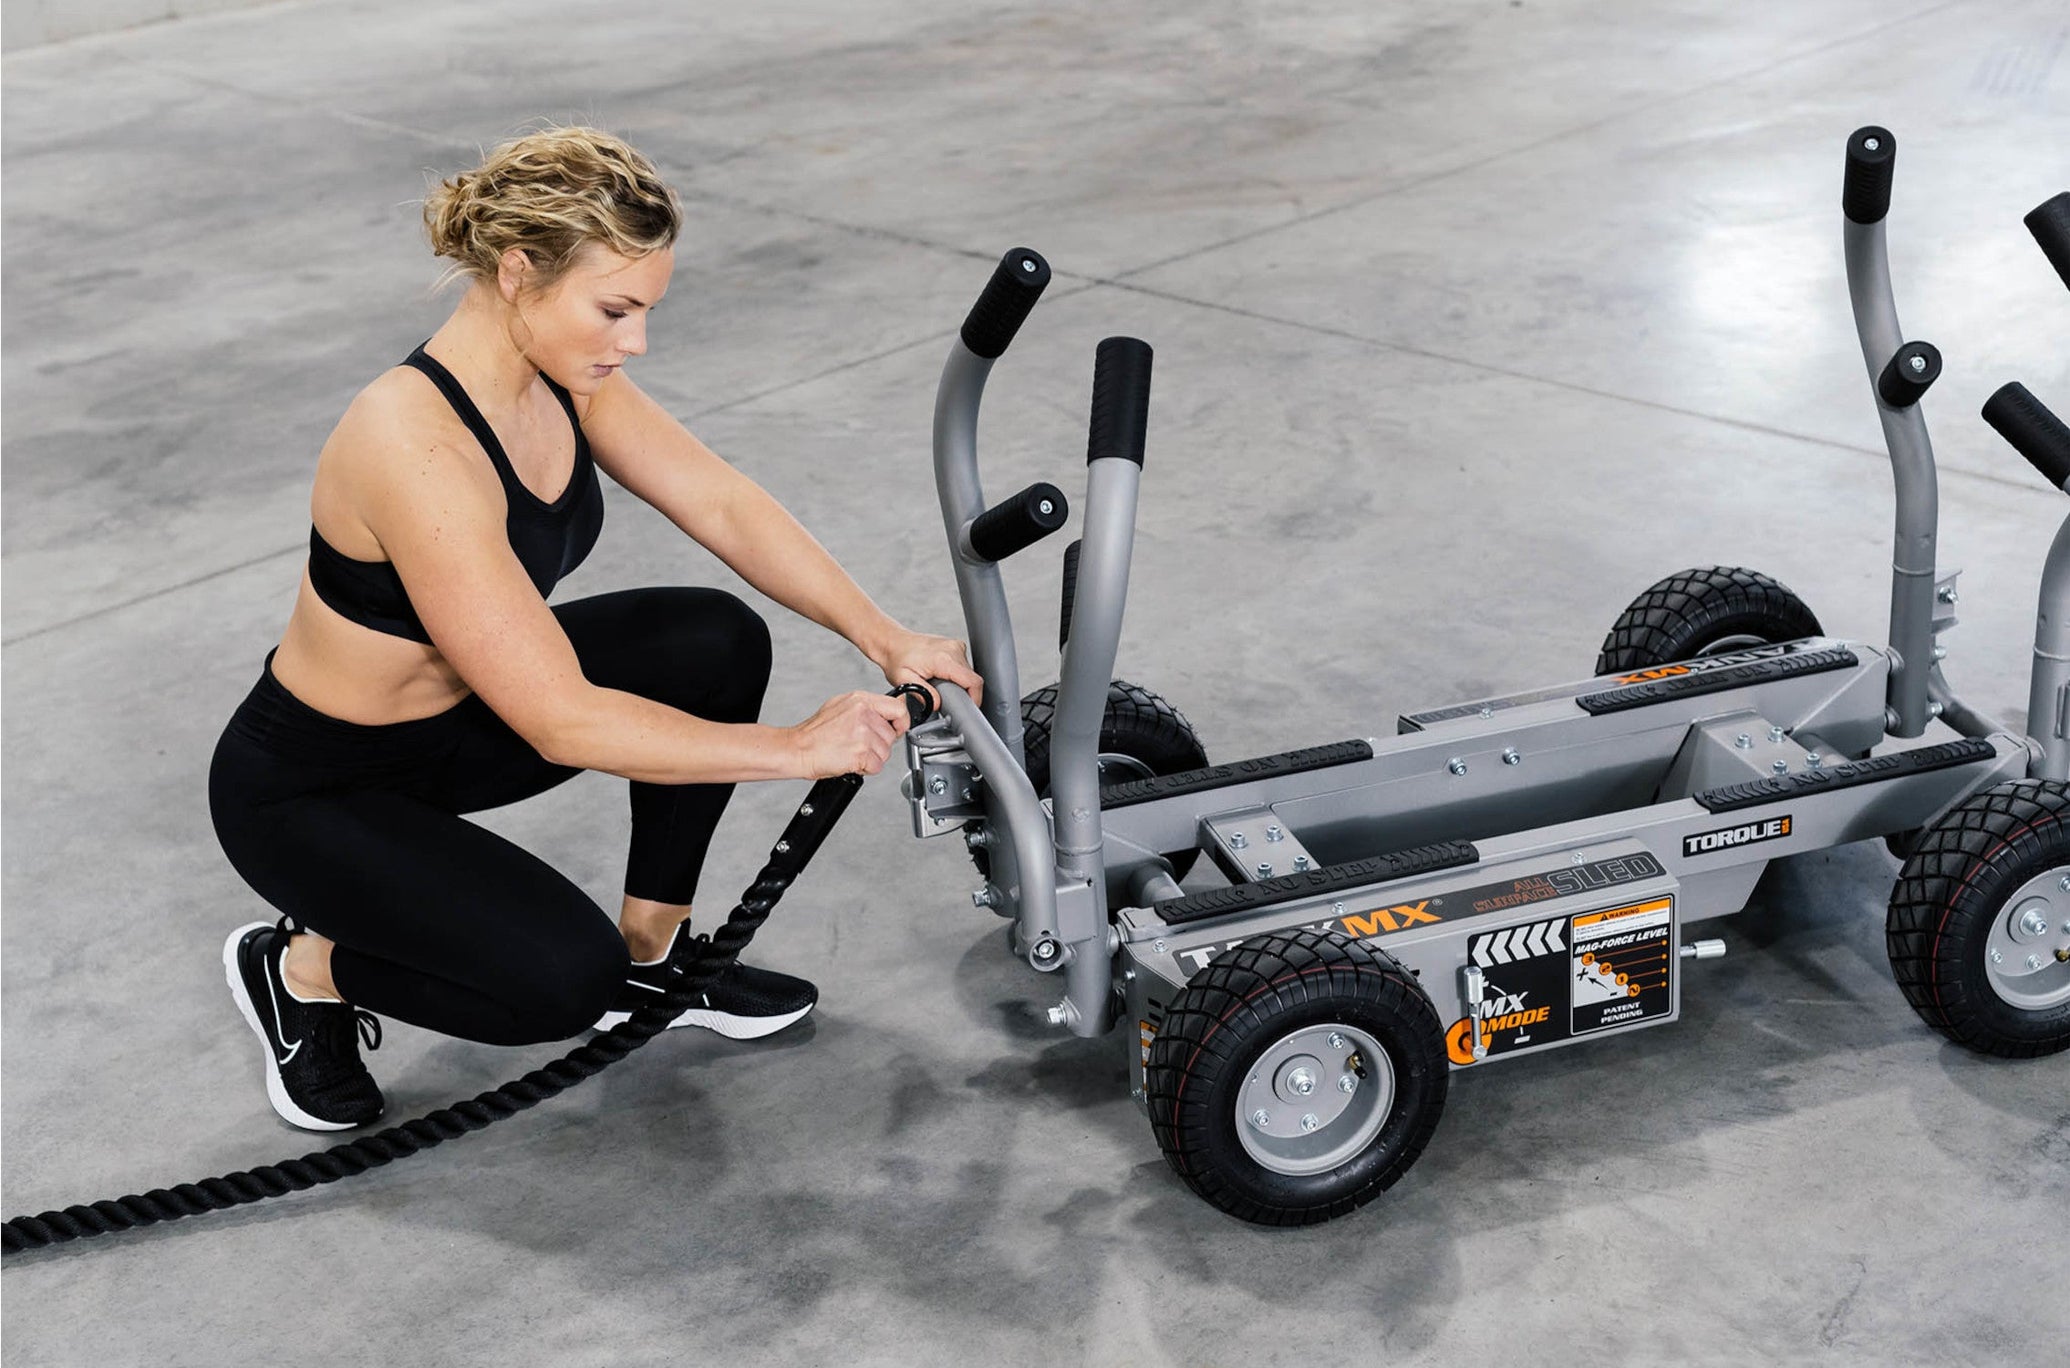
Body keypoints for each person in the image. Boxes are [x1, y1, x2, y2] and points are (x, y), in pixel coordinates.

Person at [207, 126, 983, 1133]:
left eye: (646, 310)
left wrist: (886, 637)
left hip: (453, 735)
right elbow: (562, 724)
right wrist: (797, 749)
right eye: (616, 309)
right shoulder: (412, 442)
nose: (635, 341)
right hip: (319, 788)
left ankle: (655, 968)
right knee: (557, 986)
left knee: (712, 641)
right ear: (520, 271)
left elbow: (720, 502)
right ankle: (306, 966)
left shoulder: (561, 374)